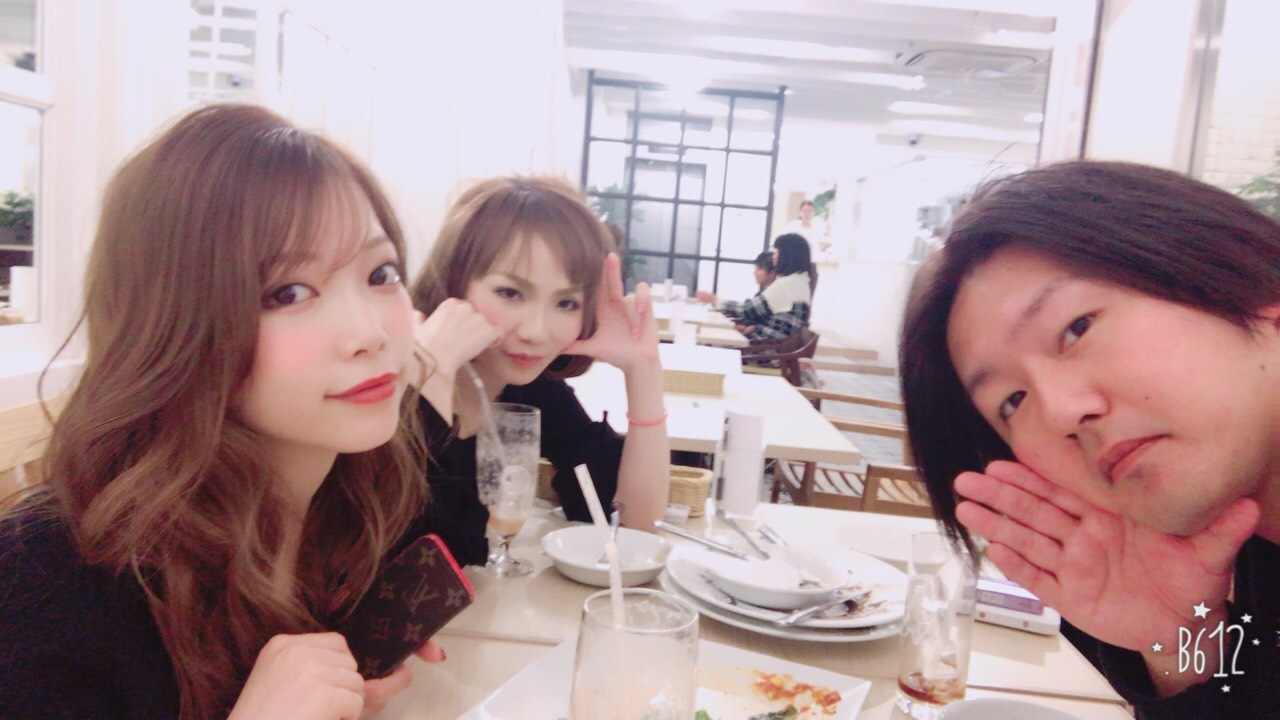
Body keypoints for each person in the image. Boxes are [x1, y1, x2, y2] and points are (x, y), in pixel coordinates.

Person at [0, 104, 444, 719]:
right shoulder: (51, 576)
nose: (370, 332)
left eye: (381, 273)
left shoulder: (349, 502)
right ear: (174, 324)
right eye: (289, 292)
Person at [899, 160, 1280, 719]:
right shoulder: (1233, 558)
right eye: (1012, 402)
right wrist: (1182, 647)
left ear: (1251, 284)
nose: (1061, 411)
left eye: (1077, 328)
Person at [406, 176, 669, 566]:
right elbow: (420, 559)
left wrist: (643, 370)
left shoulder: (529, 391)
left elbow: (633, 523)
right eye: (510, 293)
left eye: (566, 303)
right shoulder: (388, 385)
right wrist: (429, 375)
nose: (535, 331)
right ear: (452, 283)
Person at [697, 233, 812, 342]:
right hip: (777, 346)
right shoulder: (800, 281)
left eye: (777, 252)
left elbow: (746, 310)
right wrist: (755, 328)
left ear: (788, 255)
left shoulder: (785, 284)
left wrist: (715, 300)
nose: (774, 256)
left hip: (767, 350)